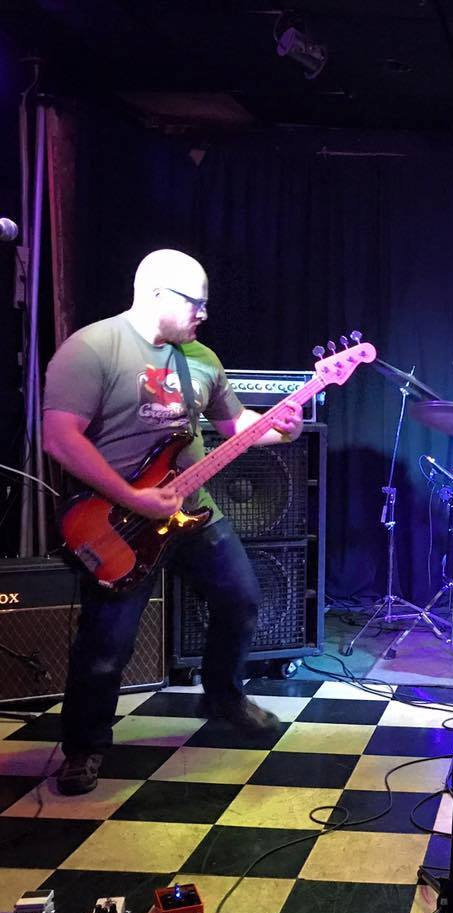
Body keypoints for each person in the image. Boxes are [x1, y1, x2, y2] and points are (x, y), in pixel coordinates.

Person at [42, 249, 304, 796]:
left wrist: (283, 427)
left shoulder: (200, 358)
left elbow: (235, 424)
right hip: (116, 522)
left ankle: (224, 695)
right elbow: (60, 439)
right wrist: (133, 499)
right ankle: (85, 746)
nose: (204, 313)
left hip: (192, 510)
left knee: (242, 600)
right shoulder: (92, 348)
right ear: (157, 293)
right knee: (107, 645)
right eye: (195, 303)